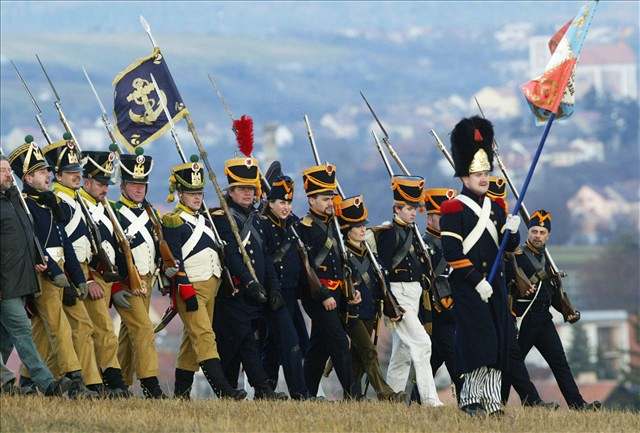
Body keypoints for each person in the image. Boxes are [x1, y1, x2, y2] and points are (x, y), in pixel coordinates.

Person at [439, 116, 521, 416]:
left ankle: (492, 400)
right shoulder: (452, 208)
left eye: (486, 172)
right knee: (477, 343)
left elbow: (508, 248)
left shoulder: (497, 207)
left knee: (498, 343)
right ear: (464, 175)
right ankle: (471, 398)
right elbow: (452, 252)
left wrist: (513, 231)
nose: (484, 178)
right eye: (477, 173)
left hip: (495, 284)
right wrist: (476, 280)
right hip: (470, 286)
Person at [8, 136, 97, 398]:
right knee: (59, 327)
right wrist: (54, 273)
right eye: (40, 172)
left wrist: (78, 277)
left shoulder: (49, 201)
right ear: (26, 178)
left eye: (47, 170)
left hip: (60, 271)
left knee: (47, 331)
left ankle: (27, 380)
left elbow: (64, 242)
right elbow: (37, 245)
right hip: (44, 273)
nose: (47, 175)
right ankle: (75, 380)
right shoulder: (27, 205)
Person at [162, 155, 247, 400]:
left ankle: (181, 393)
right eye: (191, 193)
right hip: (190, 288)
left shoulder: (205, 219)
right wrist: (183, 286)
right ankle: (224, 391)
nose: (197, 197)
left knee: (192, 341)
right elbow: (172, 260)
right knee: (205, 337)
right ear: (180, 194)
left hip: (212, 286)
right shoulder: (173, 221)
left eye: (199, 192)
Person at [211, 156, 287, 400]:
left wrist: (273, 288)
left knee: (239, 345)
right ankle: (262, 389)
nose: (248, 193)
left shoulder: (258, 219)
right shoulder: (222, 218)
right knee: (242, 342)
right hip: (233, 292)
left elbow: (266, 258)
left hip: (256, 296)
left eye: (251, 189)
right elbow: (232, 256)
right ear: (231, 190)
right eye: (242, 189)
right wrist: (250, 283)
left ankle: (235, 392)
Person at [509, 209, 600, 411]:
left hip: (543, 320)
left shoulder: (548, 260)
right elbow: (511, 286)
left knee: (560, 363)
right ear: (528, 232)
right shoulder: (518, 256)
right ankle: (498, 403)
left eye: (542, 232)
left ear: (548, 235)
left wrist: (566, 310)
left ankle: (577, 404)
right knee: (513, 365)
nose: (538, 236)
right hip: (524, 318)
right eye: (534, 231)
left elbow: (551, 293)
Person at [0, 154, 72, 397]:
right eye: (3, 171)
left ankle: (5, 386)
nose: (10, 174)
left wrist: (37, 260)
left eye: (10, 169)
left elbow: (27, 237)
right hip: (5, 283)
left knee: (6, 338)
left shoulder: (13, 200)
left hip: (21, 280)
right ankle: (47, 384)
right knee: (23, 332)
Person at [376, 175, 443, 407]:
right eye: (408, 208)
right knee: (423, 343)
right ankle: (430, 399)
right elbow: (382, 269)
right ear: (397, 208)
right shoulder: (388, 233)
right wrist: (389, 301)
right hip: (399, 293)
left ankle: (392, 398)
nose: (413, 212)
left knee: (403, 352)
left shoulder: (413, 232)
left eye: (415, 208)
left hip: (414, 293)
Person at [297, 164, 358, 399]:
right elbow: (307, 268)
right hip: (318, 295)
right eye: (324, 199)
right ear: (311, 200)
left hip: (338, 293)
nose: (330, 203)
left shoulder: (334, 224)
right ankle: (353, 396)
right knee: (340, 343)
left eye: (331, 198)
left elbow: (342, 260)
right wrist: (323, 295)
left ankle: (305, 394)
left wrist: (350, 288)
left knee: (318, 349)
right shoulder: (305, 228)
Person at [337, 194, 405, 402]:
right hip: (353, 314)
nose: (362, 229)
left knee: (357, 359)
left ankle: (351, 396)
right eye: (357, 226)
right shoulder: (344, 257)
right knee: (369, 353)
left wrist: (391, 308)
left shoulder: (371, 257)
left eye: (363, 225)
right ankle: (386, 394)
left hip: (370, 312)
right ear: (347, 231)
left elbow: (380, 286)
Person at [111, 147, 165, 398]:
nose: (138, 188)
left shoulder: (149, 212)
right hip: (127, 282)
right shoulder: (114, 212)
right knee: (144, 329)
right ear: (123, 185)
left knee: (128, 334)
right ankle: (150, 384)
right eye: (133, 183)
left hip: (148, 279)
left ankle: (120, 383)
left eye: (142, 184)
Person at [260, 172, 310, 399]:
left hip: (291, 293)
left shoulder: (293, 224)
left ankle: (266, 389)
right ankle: (300, 393)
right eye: (281, 202)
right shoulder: (263, 225)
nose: (286, 207)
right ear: (270, 202)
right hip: (274, 294)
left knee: (275, 344)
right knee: (291, 343)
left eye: (289, 202)